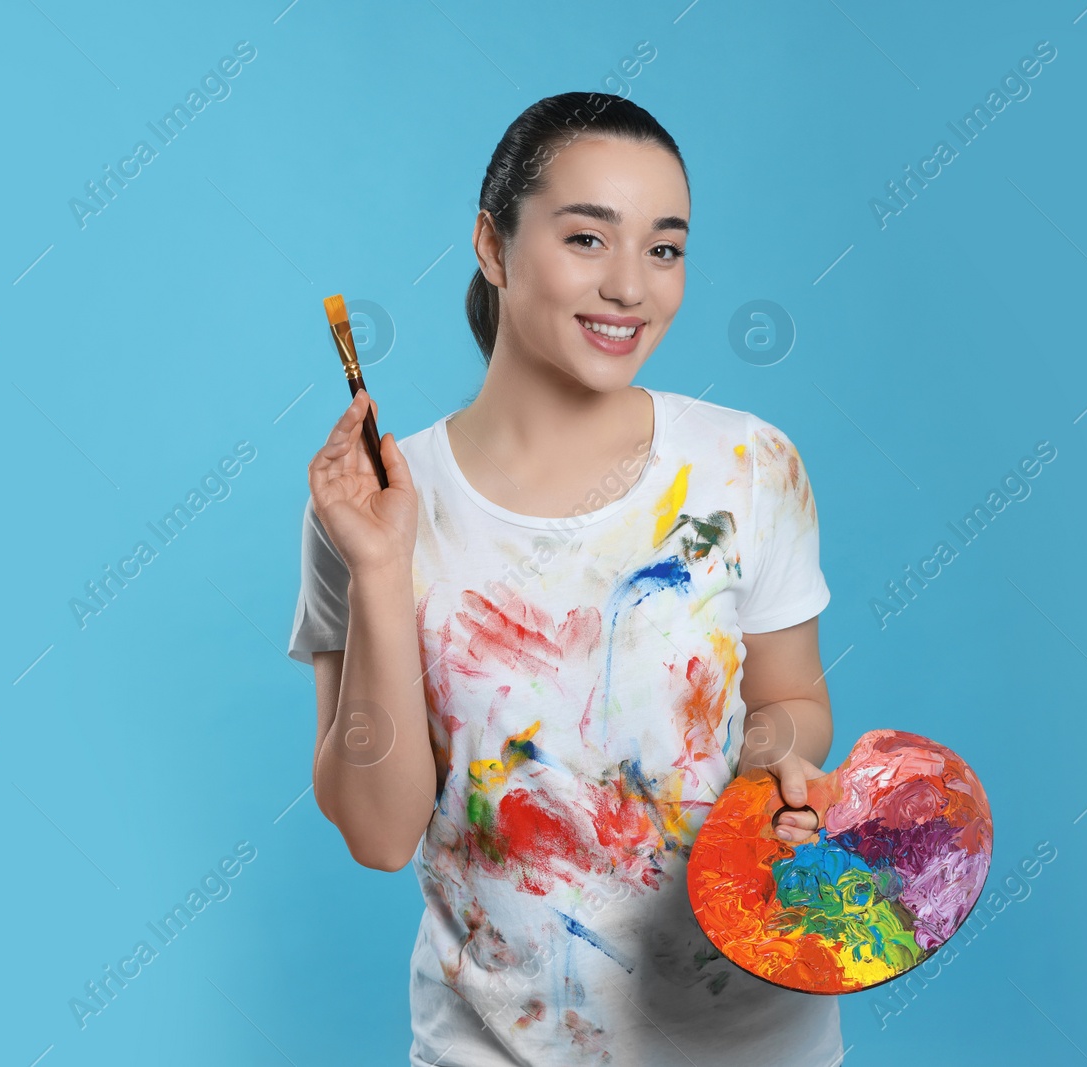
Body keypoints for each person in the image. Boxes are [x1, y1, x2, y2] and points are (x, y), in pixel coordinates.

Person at [289, 91, 843, 1066]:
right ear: (492, 247)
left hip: (746, 1035)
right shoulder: (372, 503)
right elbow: (378, 835)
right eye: (588, 239)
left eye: (664, 249)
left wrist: (778, 763)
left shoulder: (749, 466)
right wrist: (380, 568)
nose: (631, 286)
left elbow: (791, 696)